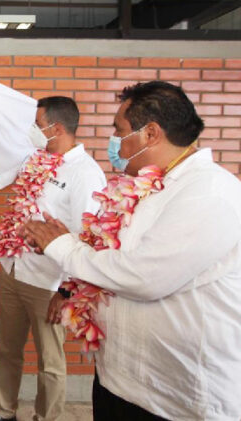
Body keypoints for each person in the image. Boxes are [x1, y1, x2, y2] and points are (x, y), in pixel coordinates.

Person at [24, 81, 241, 420]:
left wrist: (63, 247)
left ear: (151, 133)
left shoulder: (209, 193)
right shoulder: (143, 187)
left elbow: (143, 276)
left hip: (176, 399)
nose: (114, 141)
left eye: (119, 130)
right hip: (120, 380)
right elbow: (112, 253)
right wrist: (74, 245)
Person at [0, 97, 106, 421]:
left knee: (50, 363)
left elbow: (90, 238)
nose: (33, 130)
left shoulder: (86, 174)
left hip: (49, 284)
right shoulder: (37, 160)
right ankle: (4, 411)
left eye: (38, 124)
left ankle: (45, 418)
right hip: (14, 271)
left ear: (56, 128)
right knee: (7, 351)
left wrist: (66, 291)